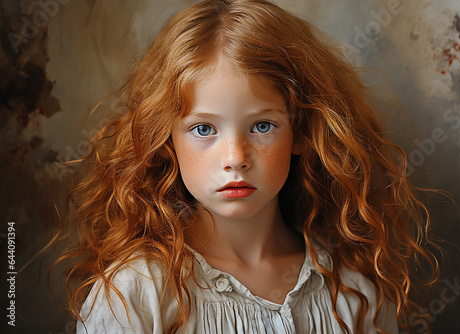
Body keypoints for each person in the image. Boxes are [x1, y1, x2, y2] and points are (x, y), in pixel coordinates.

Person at [61, 0, 438, 333]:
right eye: (203, 128)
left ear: (302, 133)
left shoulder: (355, 291)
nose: (235, 157)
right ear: (165, 142)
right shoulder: (134, 297)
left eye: (262, 126)